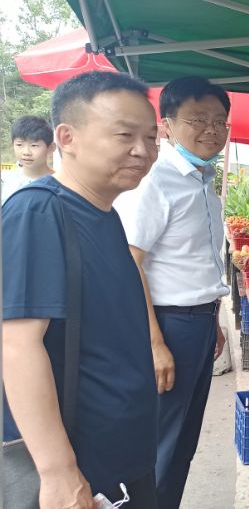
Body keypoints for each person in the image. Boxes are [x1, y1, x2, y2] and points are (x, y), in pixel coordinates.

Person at [2, 71, 160, 508]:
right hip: (82, 470)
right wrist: (58, 473)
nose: (142, 150)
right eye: (125, 135)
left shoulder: (104, 212)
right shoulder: (38, 211)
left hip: (122, 455)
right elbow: (17, 346)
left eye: (151, 138)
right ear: (67, 138)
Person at [114, 76, 229, 508]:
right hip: (167, 325)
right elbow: (130, 262)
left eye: (219, 121)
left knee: (183, 442)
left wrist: (214, 321)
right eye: (197, 120)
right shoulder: (155, 182)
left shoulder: (203, 182)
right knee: (161, 444)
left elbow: (195, 263)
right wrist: (154, 342)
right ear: (167, 124)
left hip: (198, 322)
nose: (211, 130)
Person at [1, 115, 56, 204]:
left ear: (50, 148)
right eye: (19, 145)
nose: (26, 152)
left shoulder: (60, 184)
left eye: (34, 145)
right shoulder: (5, 181)